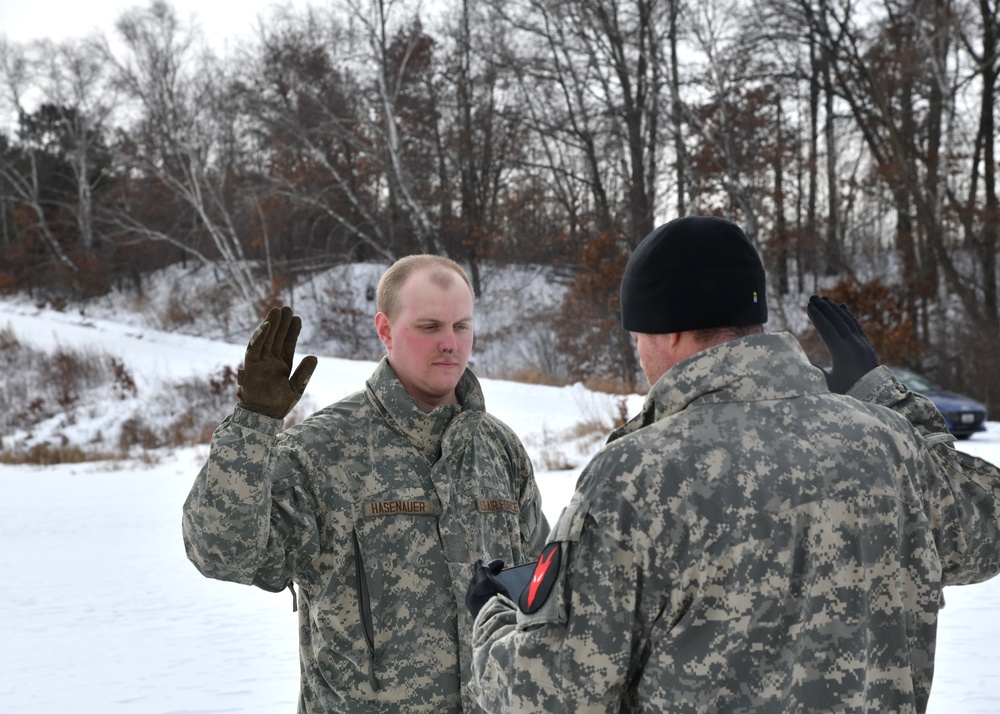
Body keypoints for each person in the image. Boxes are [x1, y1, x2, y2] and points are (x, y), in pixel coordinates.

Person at [465, 215, 1000, 713]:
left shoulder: (637, 474)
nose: (640, 354)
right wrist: (891, 402)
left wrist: (495, 619)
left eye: (637, 339)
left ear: (667, 331)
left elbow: (549, 694)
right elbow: (987, 528)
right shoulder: (886, 440)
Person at [182, 254, 550, 713]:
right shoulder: (323, 449)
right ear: (385, 330)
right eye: (429, 326)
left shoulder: (499, 448)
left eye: (461, 326)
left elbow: (543, 592)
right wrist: (253, 424)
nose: (450, 344)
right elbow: (222, 552)